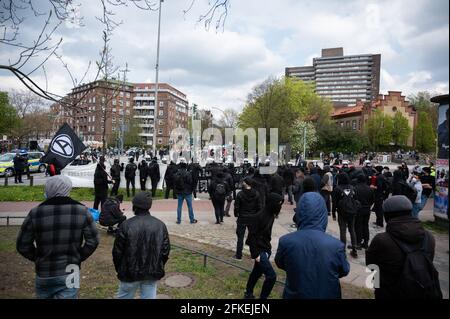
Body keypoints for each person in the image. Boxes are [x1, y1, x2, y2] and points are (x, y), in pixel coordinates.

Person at [16, 175, 99, 299]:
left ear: (48, 189)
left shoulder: (35, 213)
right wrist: (78, 257)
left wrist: (38, 257)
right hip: (71, 270)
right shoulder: (82, 211)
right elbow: (93, 241)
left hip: (44, 271)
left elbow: (22, 245)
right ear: (68, 189)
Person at [275, 192, 350, 299]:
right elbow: (344, 270)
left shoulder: (286, 241)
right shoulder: (336, 246)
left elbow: (280, 263)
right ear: (323, 214)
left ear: (299, 213)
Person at [366, 195, 442, 299]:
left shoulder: (381, 240)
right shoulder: (428, 237)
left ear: (387, 216)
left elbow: (371, 265)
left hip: (389, 292)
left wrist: (376, 285)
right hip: (422, 290)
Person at [113, 192, 170, 299]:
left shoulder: (126, 225)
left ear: (134, 206)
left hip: (130, 272)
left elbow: (117, 252)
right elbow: (165, 251)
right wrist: (157, 265)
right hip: (150, 272)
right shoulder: (160, 225)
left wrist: (120, 269)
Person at [244, 192, 283, 299]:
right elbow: (251, 236)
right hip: (259, 251)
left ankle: (248, 293)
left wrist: (268, 250)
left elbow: (266, 234)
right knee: (271, 276)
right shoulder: (259, 216)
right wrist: (256, 254)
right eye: (279, 204)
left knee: (256, 272)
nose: (280, 207)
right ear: (272, 203)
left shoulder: (271, 215)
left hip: (266, 249)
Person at [332, 172, 359, 258]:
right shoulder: (352, 188)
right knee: (352, 229)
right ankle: (354, 249)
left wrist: (333, 213)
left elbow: (334, 202)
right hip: (352, 212)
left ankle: (342, 250)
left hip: (342, 212)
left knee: (343, 231)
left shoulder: (337, 189)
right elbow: (356, 200)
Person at [234, 177, 262, 260]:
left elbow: (236, 207)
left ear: (246, 183)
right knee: (252, 237)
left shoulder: (240, 194)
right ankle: (254, 255)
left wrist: (236, 214)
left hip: (242, 217)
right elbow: (259, 207)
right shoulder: (256, 193)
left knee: (240, 237)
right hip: (253, 217)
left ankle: (239, 255)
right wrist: (256, 215)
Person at [173, 160, 197, 224]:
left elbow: (174, 183)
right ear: (185, 167)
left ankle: (179, 220)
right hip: (187, 192)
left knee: (179, 206)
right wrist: (191, 190)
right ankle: (191, 219)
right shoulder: (188, 173)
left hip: (179, 192)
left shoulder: (177, 174)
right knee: (190, 206)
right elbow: (190, 182)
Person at [354, 174, 374, 249]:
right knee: (365, 225)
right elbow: (372, 200)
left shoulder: (355, 188)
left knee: (358, 226)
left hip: (358, 209)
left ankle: (358, 242)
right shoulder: (370, 189)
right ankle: (366, 242)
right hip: (367, 209)